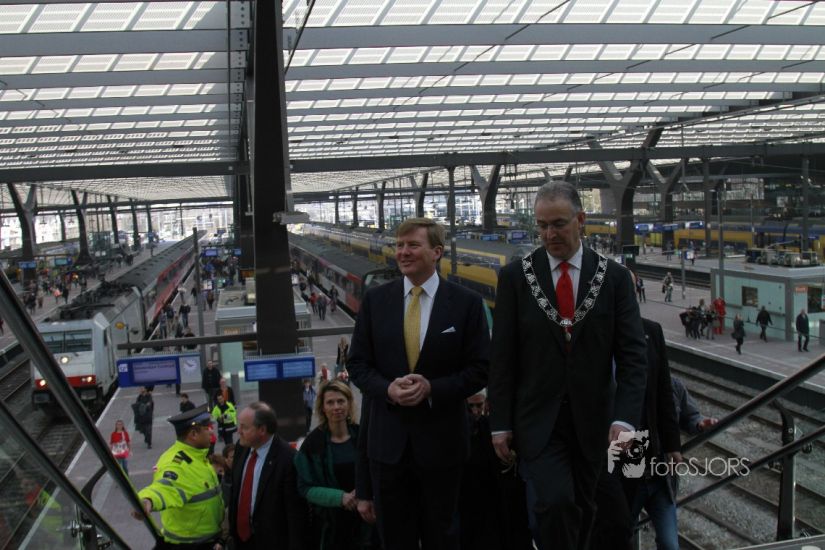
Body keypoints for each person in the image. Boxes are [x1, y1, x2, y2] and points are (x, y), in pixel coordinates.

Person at [488, 182, 647, 550]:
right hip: (538, 421)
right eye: (542, 226)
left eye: (558, 224)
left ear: (581, 220)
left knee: (592, 510)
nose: (549, 234)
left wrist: (625, 421)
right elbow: (503, 357)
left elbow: (633, 357)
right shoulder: (515, 278)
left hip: (596, 423)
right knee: (555, 502)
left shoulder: (614, 278)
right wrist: (501, 423)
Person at [348, 216, 490, 550]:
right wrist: (387, 389)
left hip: (443, 447)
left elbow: (481, 368)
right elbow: (357, 364)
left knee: (443, 536)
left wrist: (432, 389)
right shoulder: (375, 301)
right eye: (399, 245)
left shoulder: (467, 303)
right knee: (395, 539)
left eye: (413, 245)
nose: (403, 252)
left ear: (437, 252)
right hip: (387, 448)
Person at [294, 380, 373, 549]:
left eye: (341, 401)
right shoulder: (312, 444)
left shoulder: (364, 435)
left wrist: (363, 491)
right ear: (322, 407)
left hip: (366, 523)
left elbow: (378, 472)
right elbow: (304, 487)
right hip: (330, 527)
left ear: (349, 404)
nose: (336, 407)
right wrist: (340, 497)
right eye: (330, 402)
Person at [133, 405, 225, 549]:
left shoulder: (196, 455)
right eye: (207, 427)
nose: (211, 431)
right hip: (190, 545)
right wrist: (147, 500)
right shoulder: (177, 464)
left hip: (206, 541)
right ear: (193, 434)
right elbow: (165, 487)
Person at [229, 401, 307, 549]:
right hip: (241, 541)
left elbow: (295, 514)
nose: (238, 431)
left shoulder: (288, 459)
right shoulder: (241, 447)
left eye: (244, 427)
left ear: (262, 430)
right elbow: (236, 492)